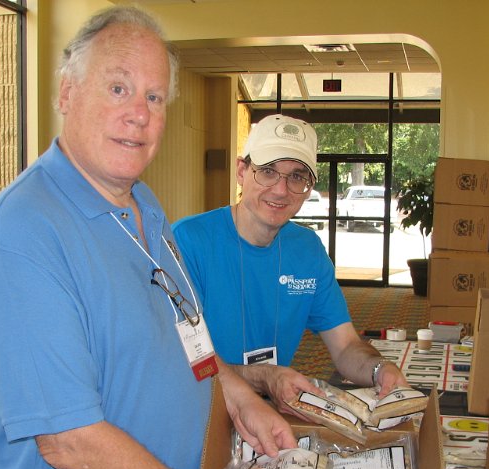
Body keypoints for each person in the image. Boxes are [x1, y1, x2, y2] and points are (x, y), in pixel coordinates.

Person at [0, 8, 299, 469]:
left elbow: (186, 337)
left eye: (155, 97)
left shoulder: (145, 210)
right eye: (118, 88)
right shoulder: (24, 235)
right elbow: (70, 441)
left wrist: (238, 399)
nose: (139, 113)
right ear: (67, 91)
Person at [172, 114, 408, 415]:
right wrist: (263, 377)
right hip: (198, 410)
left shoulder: (307, 250)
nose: (281, 190)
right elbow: (181, 358)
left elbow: (346, 346)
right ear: (242, 171)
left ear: (308, 187)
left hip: (268, 409)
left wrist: (380, 369)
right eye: (268, 172)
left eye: (296, 176)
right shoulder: (188, 241)